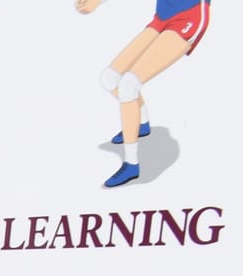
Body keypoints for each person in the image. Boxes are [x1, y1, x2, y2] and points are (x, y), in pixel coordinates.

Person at [80, 0, 210, 188]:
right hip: (163, 17)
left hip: (189, 16)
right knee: (109, 78)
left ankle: (131, 164)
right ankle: (141, 124)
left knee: (128, 84)